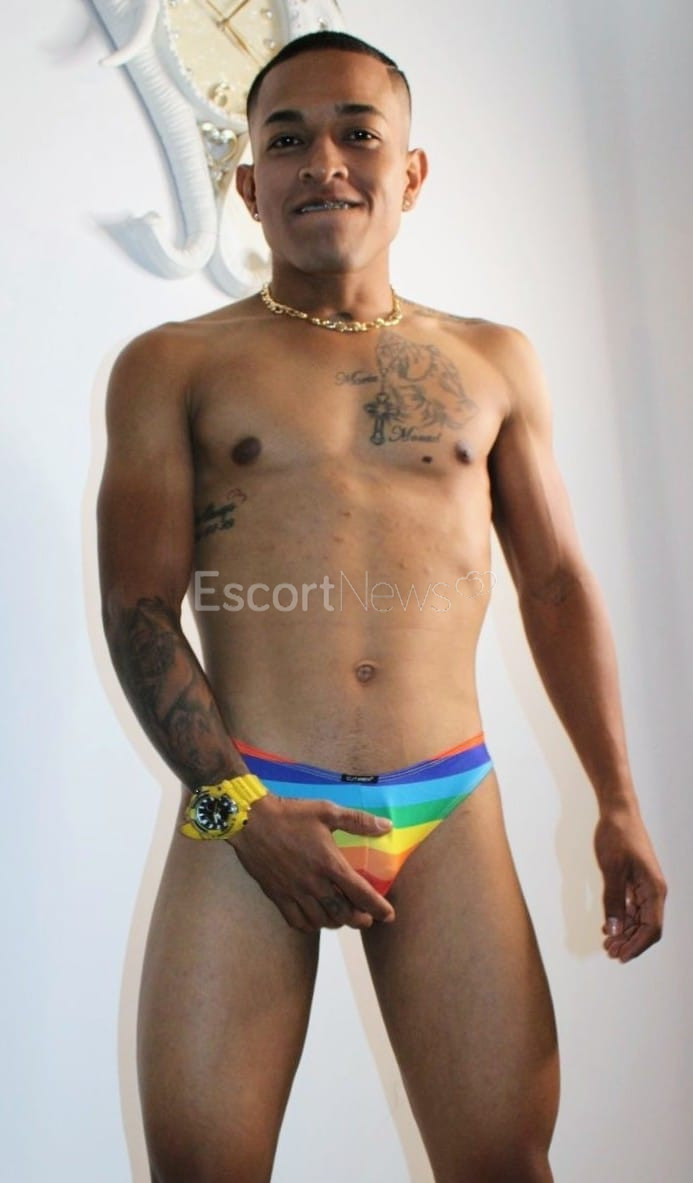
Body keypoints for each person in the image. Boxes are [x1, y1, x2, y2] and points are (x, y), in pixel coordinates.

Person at [97, 30, 667, 1183]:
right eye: (287, 141)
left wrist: (618, 801)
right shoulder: (174, 363)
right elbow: (139, 610)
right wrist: (240, 811)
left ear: (410, 172)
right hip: (248, 798)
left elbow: (557, 584)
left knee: (505, 1164)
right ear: (248, 185)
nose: (324, 162)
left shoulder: (494, 361)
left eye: (358, 133)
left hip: (448, 802)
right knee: (201, 1169)